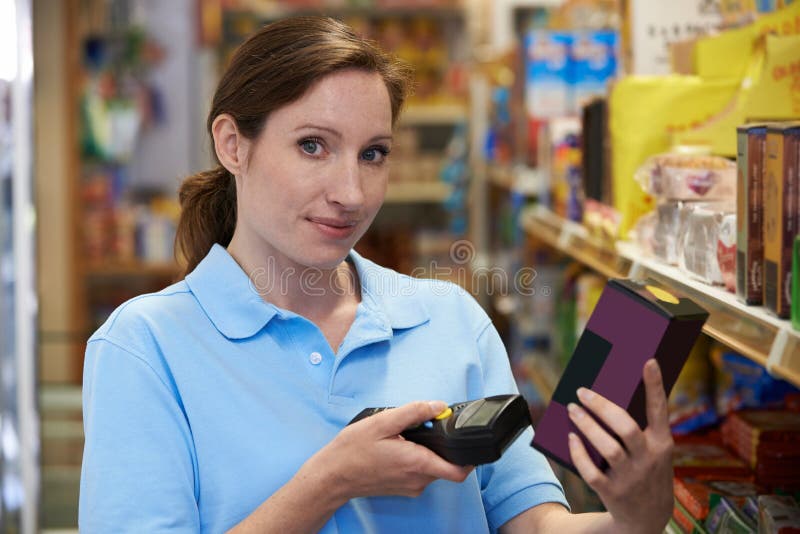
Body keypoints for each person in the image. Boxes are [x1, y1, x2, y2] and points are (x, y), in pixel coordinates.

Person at [79, 16, 674, 534]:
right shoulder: (146, 347)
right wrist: (330, 482)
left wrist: (634, 516)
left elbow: (537, 523)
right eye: (313, 145)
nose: (351, 193)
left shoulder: (452, 319)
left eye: (374, 154)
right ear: (233, 144)